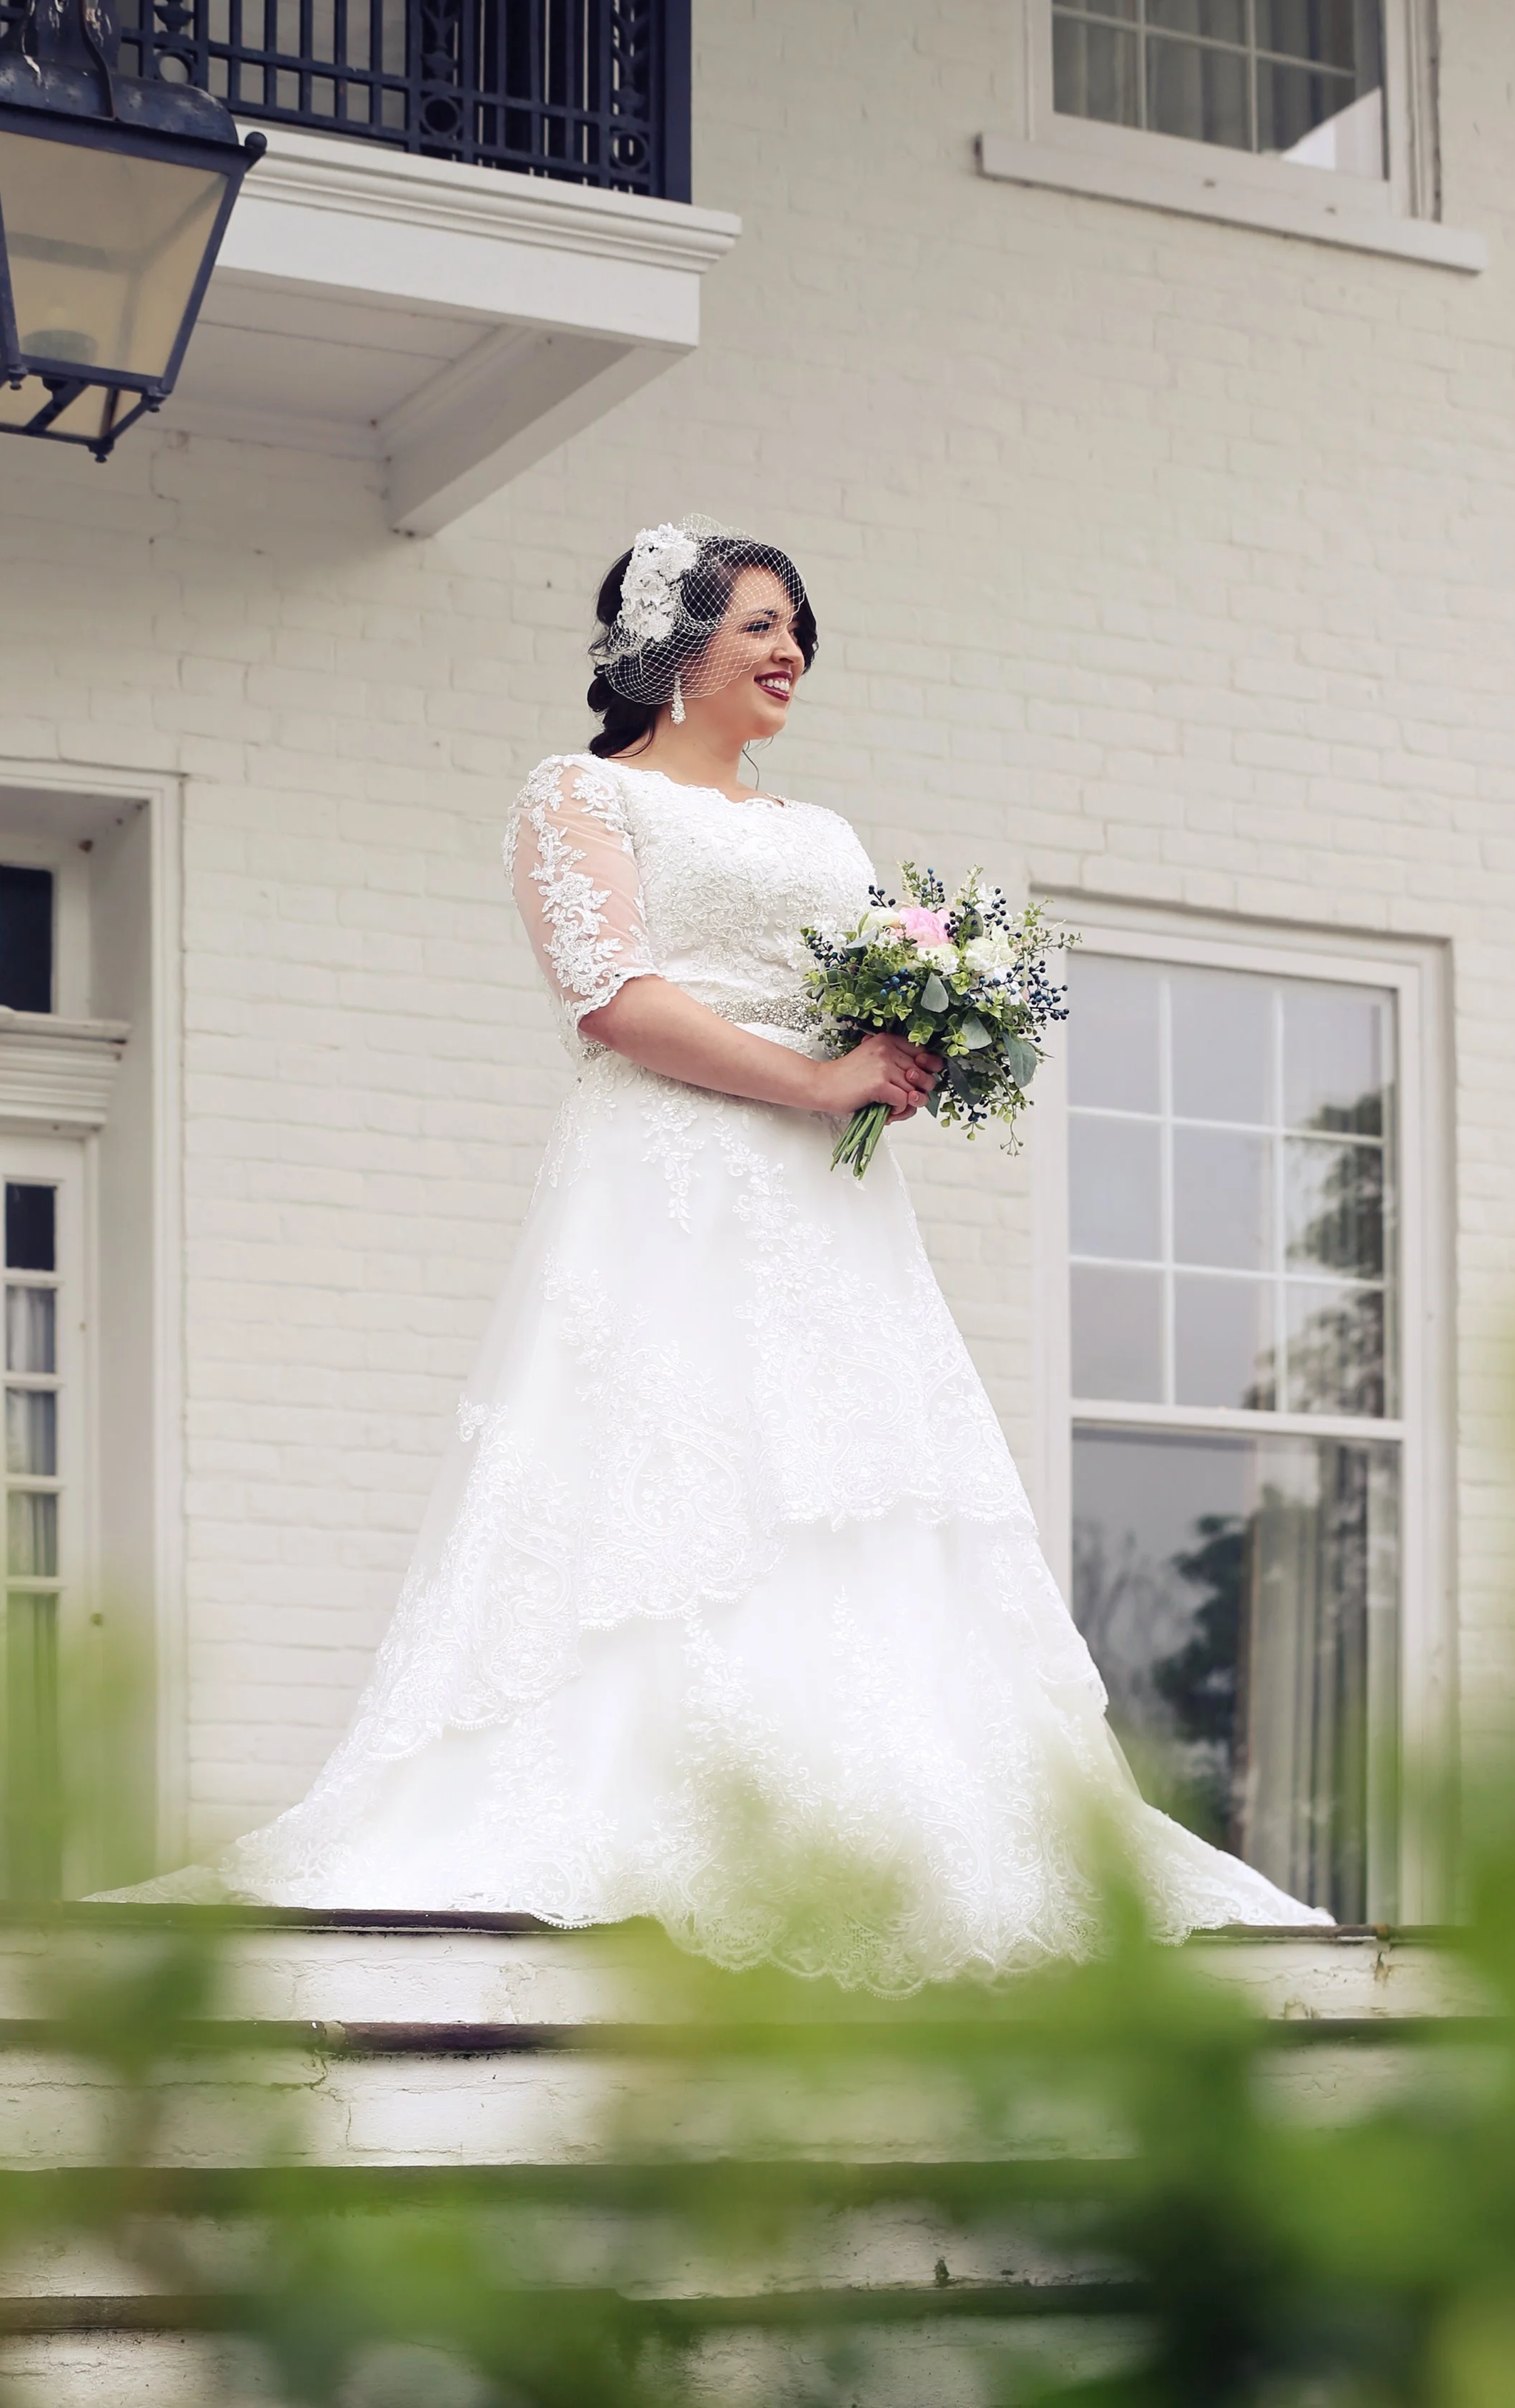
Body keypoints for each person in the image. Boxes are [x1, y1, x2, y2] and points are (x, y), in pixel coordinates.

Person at [117, 521, 1330, 1987]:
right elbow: (614, 1001)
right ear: (671, 650)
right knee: (668, 1465)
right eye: (759, 624)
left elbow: (858, 986)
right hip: (663, 1183)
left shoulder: (819, 834)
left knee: (855, 1481)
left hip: (825, 1211)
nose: (788, 652)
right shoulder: (576, 798)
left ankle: (883, 1807)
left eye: (797, 629)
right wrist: (817, 1081)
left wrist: (920, 1037)